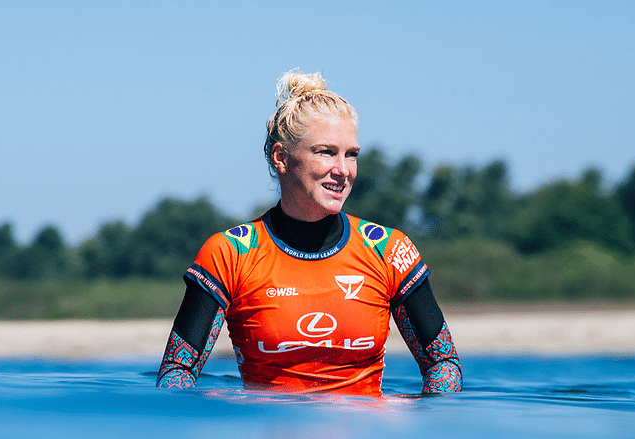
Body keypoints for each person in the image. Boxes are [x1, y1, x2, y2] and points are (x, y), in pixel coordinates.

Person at [157, 70, 461, 396]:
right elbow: (177, 373)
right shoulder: (230, 253)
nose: (343, 170)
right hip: (271, 438)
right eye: (326, 152)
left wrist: (413, 418)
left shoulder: (389, 249)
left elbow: (442, 363)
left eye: (351, 154)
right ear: (282, 158)